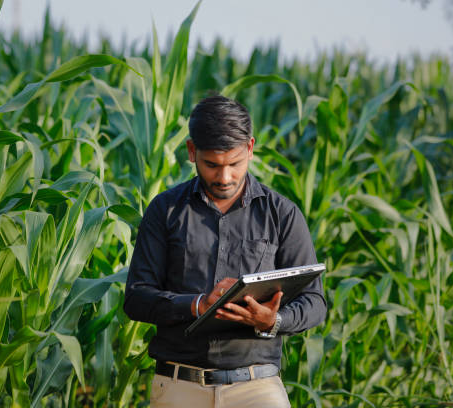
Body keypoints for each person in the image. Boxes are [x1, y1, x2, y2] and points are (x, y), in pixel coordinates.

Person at [123, 95, 327, 407]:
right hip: (179, 385)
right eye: (212, 165)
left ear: (250, 148)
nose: (225, 177)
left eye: (235, 163)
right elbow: (136, 298)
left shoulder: (282, 214)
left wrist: (273, 321)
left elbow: (315, 302)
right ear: (192, 151)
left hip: (257, 388)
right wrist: (197, 305)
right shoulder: (164, 211)